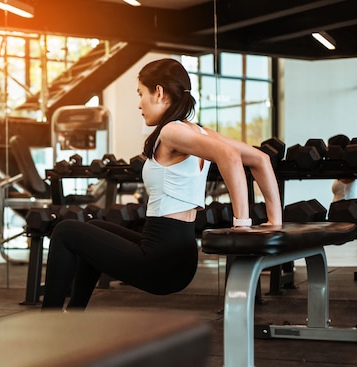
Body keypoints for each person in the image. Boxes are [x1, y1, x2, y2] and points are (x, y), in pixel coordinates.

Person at [41, 58, 283, 310]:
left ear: (158, 92)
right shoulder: (199, 132)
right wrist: (274, 220)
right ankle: (73, 316)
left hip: (159, 260)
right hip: (181, 256)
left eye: (140, 94)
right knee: (94, 228)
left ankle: (48, 325)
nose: (139, 104)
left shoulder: (171, 132)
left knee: (65, 230)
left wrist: (241, 225)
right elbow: (261, 159)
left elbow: (230, 157)